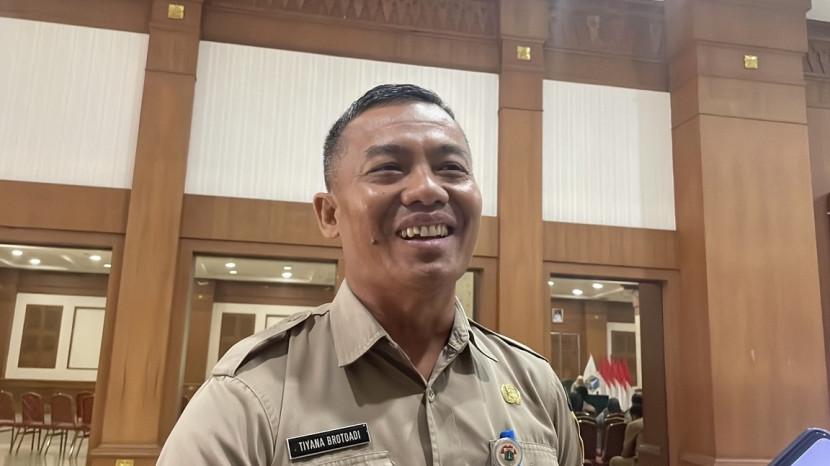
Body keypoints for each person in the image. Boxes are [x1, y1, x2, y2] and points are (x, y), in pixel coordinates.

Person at [158, 84, 582, 465]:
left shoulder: (534, 385)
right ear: (330, 214)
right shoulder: (250, 397)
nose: (428, 189)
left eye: (451, 168)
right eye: (388, 168)